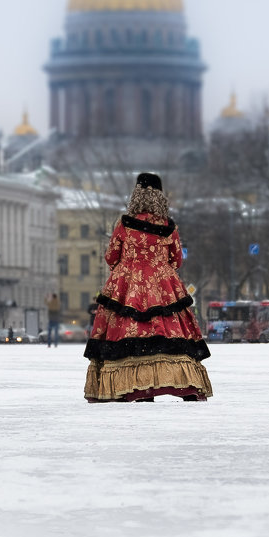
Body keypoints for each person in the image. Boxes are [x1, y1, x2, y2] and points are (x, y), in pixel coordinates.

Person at [83, 172, 213, 402]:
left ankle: (137, 387)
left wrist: (125, 268)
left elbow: (111, 255)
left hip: (128, 284)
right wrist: (160, 269)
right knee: (170, 330)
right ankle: (183, 383)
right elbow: (177, 259)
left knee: (128, 330)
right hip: (162, 283)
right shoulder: (168, 227)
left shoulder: (125, 225)